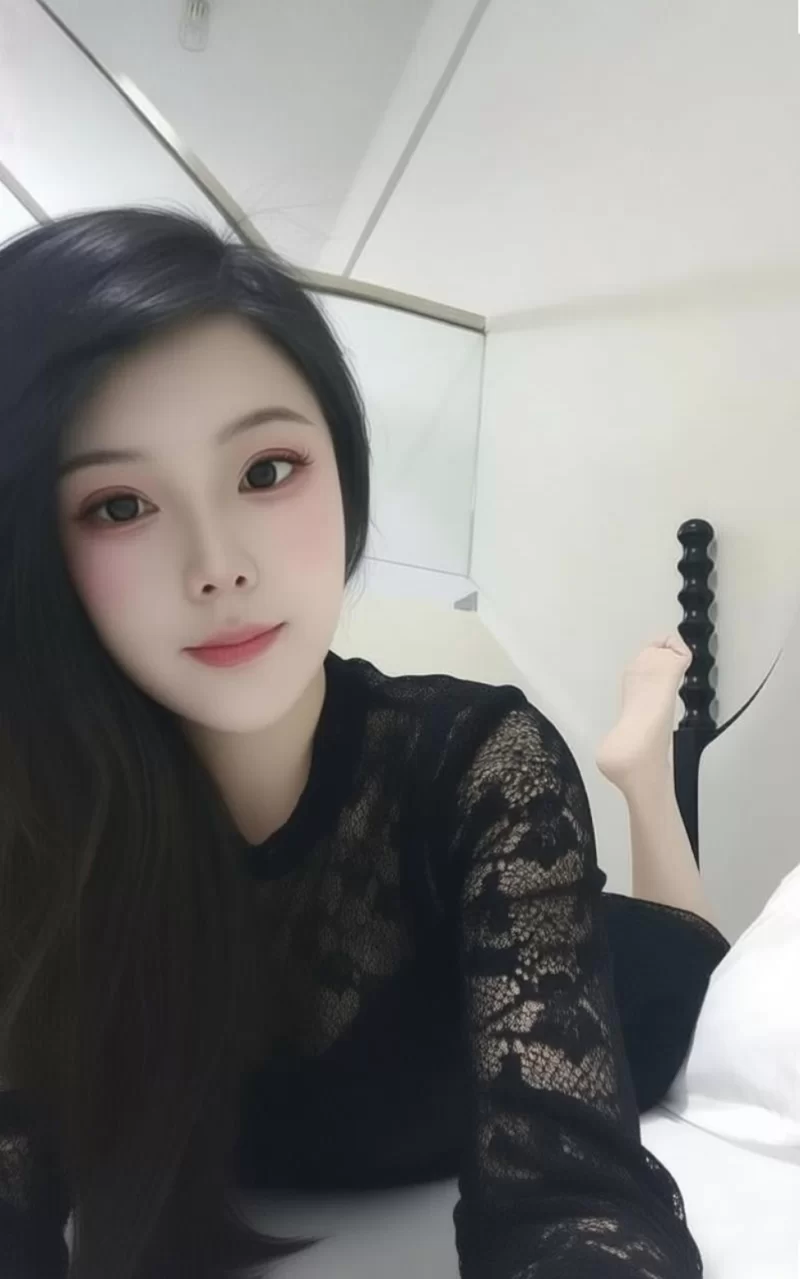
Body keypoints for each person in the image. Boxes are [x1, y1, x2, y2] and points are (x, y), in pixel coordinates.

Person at [0, 208, 727, 1279]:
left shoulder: (480, 760)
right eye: (119, 504)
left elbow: (572, 1197)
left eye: (265, 471)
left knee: (693, 951)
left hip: (603, 980)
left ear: (343, 471)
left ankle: (642, 772)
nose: (218, 565)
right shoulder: (36, 819)